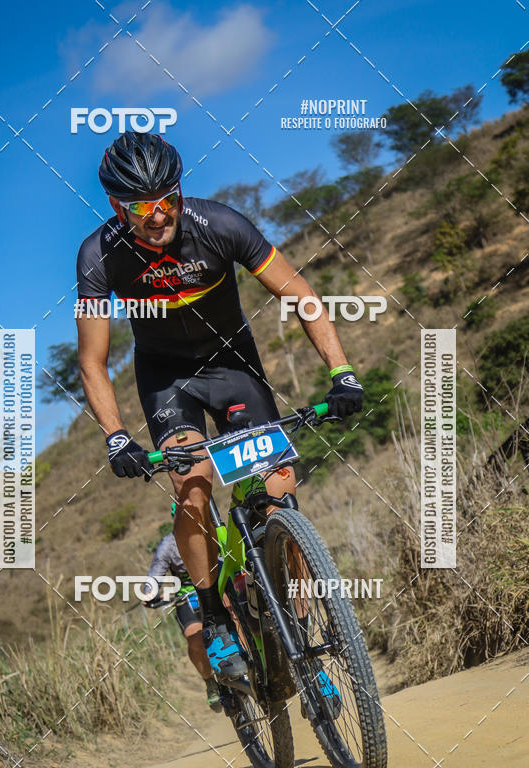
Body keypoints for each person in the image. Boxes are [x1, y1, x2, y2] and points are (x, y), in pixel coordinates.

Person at [76, 131, 363, 682]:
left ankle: (299, 626)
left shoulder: (221, 225)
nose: (158, 216)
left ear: (180, 191)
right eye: (141, 207)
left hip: (235, 368)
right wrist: (115, 435)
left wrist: (341, 371)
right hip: (168, 380)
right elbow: (93, 360)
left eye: (167, 200)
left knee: (277, 490)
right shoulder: (99, 254)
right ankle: (214, 620)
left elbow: (300, 295)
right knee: (192, 485)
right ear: (117, 207)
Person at [144, 503, 222, 713]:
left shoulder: (212, 529)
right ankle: (210, 682)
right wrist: (149, 592)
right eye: (181, 516)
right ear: (175, 519)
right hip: (188, 596)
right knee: (194, 639)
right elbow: (155, 572)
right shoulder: (168, 544)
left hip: (216, 586)